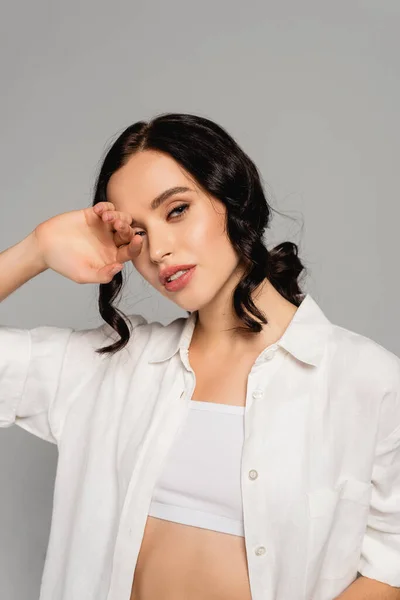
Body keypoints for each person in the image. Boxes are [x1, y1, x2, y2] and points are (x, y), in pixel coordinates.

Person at [1, 112, 399, 600]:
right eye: (138, 234)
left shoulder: (366, 381)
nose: (159, 250)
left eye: (176, 211)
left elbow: (390, 566)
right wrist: (35, 251)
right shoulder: (105, 370)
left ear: (231, 199)